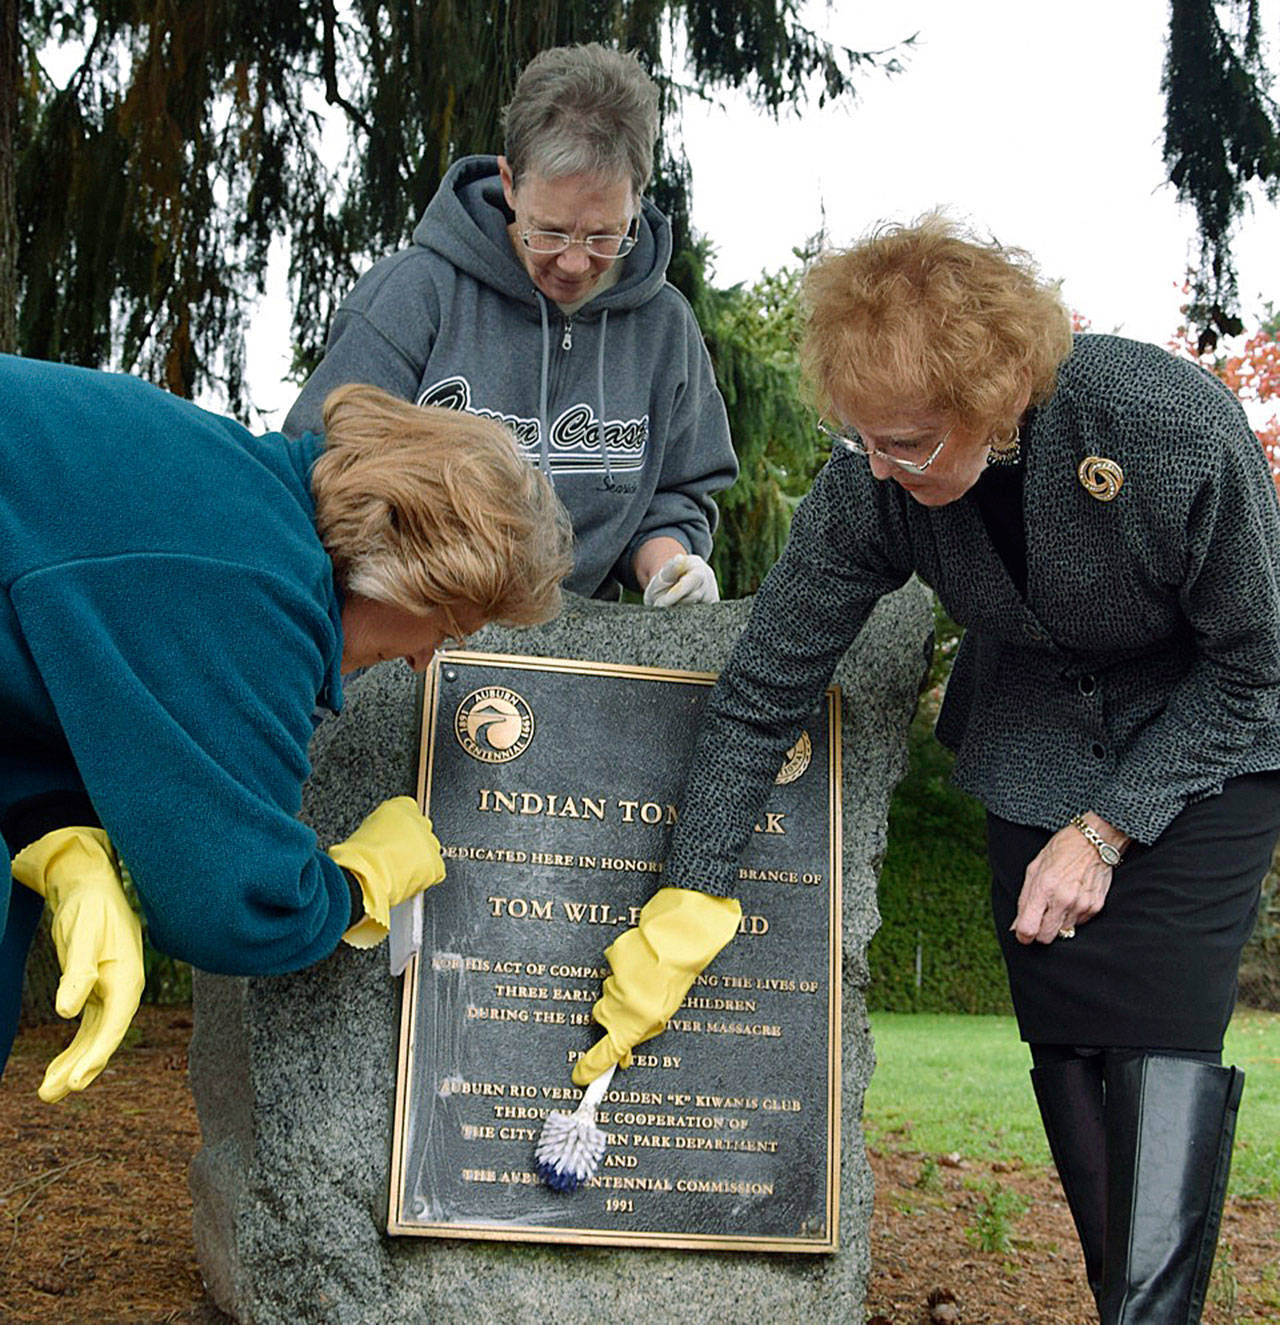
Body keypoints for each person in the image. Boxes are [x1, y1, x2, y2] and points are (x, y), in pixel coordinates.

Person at [568, 218, 1280, 1323]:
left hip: (1203, 744)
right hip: (1033, 742)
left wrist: (1105, 829)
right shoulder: (871, 479)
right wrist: (689, 887)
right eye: (859, 439)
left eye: (904, 442)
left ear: (995, 396)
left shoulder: (1165, 424)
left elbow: (1255, 665)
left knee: (1154, 1042)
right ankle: (1131, 1303)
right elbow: (766, 688)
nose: (879, 467)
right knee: (1073, 1048)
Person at [1, 357, 572, 1102]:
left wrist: (56, 829)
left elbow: (40, 663)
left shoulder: (243, 496)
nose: (424, 658)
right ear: (415, 568)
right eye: (449, 625)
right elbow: (234, 905)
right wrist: (356, 884)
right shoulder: (263, 590)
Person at [284, 42, 737, 608]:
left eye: (603, 236)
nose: (575, 263)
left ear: (636, 199)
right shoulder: (415, 295)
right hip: (413, 625)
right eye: (548, 232)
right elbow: (320, 465)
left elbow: (673, 495)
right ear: (510, 182)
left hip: (586, 647)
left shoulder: (667, 327)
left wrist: (670, 564)